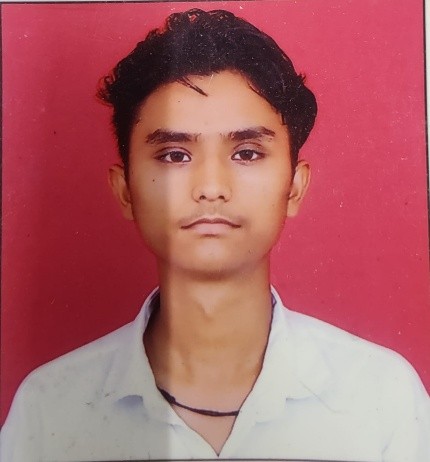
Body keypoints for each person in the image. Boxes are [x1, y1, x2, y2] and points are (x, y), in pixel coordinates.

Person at [1, 8, 429, 462]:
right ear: (125, 190)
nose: (210, 188)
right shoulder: (49, 408)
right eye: (174, 155)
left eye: (247, 153)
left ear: (295, 186)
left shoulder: (382, 397)